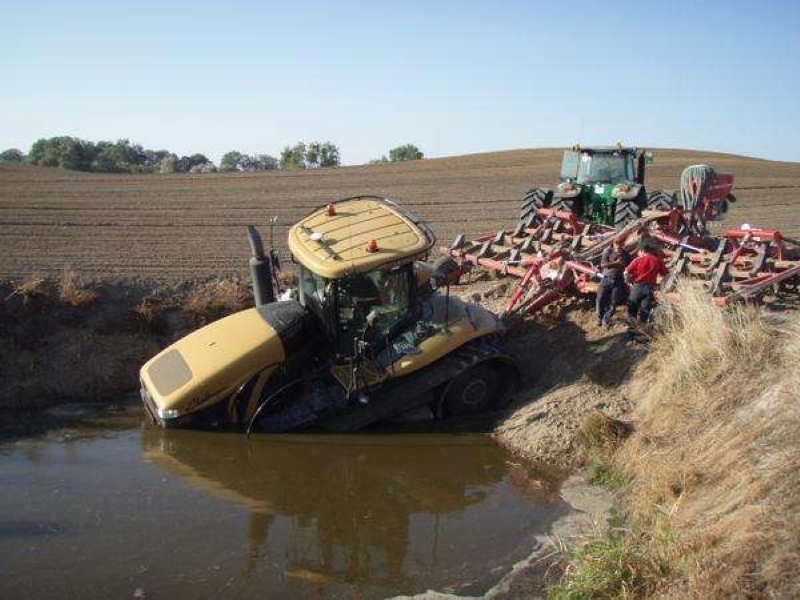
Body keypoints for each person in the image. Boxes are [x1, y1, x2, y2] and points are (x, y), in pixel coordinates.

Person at [624, 242, 669, 324]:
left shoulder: (638, 260)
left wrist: (628, 282)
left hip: (637, 287)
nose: (638, 254)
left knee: (632, 309)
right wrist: (661, 286)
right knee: (644, 311)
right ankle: (641, 331)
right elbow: (666, 275)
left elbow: (626, 272)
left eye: (638, 252)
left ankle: (631, 330)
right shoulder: (657, 260)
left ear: (642, 250)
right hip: (650, 288)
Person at [596, 237, 631, 327]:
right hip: (606, 278)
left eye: (620, 243)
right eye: (616, 243)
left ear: (623, 244)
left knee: (614, 301)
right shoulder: (608, 252)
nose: (618, 245)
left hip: (618, 280)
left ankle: (606, 319)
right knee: (600, 299)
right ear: (613, 243)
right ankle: (599, 317)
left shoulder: (626, 254)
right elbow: (603, 265)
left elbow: (629, 266)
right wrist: (616, 263)